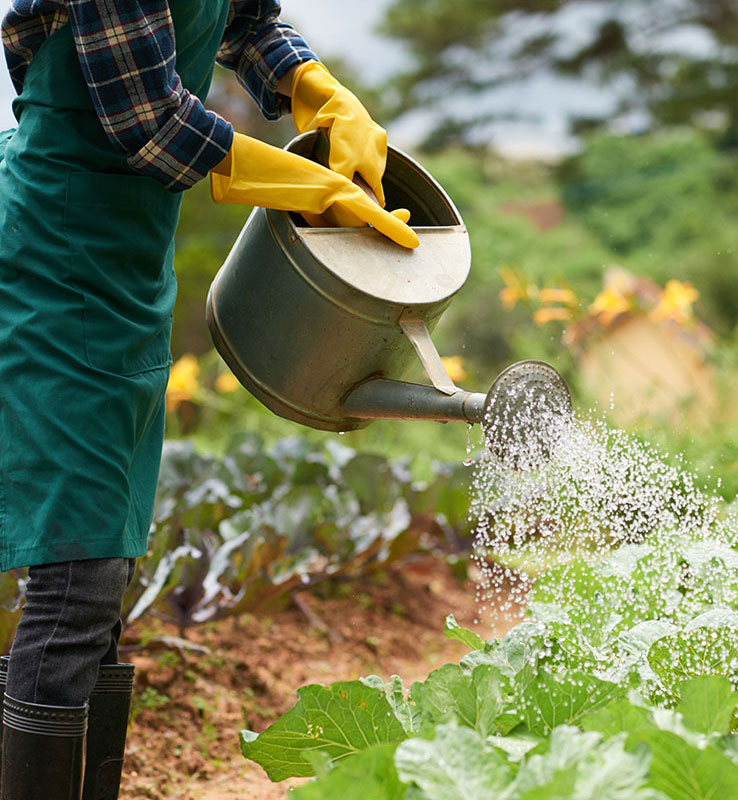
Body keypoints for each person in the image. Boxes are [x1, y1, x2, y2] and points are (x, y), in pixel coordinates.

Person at [0, 1, 418, 798]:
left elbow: (250, 18)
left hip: (125, 259)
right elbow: (152, 123)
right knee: (72, 574)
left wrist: (318, 88)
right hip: (54, 249)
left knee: (104, 563)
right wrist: (308, 185)